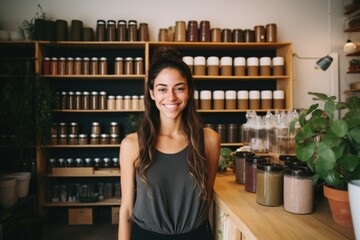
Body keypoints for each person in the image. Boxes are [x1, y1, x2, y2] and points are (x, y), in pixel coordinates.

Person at [118, 47, 220, 240]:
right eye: (162, 89)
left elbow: (207, 199)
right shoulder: (131, 144)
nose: (171, 97)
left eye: (179, 88)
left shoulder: (209, 140)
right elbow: (127, 211)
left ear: (189, 92)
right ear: (152, 93)